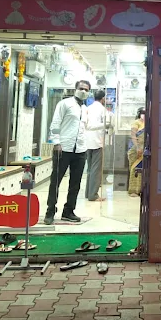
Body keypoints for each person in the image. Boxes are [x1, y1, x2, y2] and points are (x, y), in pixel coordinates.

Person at [44, 80, 91, 225]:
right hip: (63, 148)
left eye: (86, 90)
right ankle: (50, 211)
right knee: (55, 181)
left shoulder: (85, 109)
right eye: (81, 88)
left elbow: (84, 128)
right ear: (75, 89)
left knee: (75, 183)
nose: (83, 91)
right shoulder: (64, 104)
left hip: (80, 150)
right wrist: (56, 142)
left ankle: (68, 211)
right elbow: (55, 123)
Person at [85, 90, 109, 202]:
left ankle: (88, 193)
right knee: (96, 169)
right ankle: (93, 195)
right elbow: (106, 124)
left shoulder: (88, 108)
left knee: (90, 168)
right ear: (103, 98)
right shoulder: (103, 109)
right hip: (97, 142)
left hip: (87, 142)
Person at [127, 107, 146, 197]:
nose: (144, 115)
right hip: (135, 149)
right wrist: (138, 147)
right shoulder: (136, 122)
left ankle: (140, 189)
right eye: (143, 113)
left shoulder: (149, 123)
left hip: (144, 149)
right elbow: (133, 136)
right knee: (134, 168)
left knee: (142, 169)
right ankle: (133, 190)